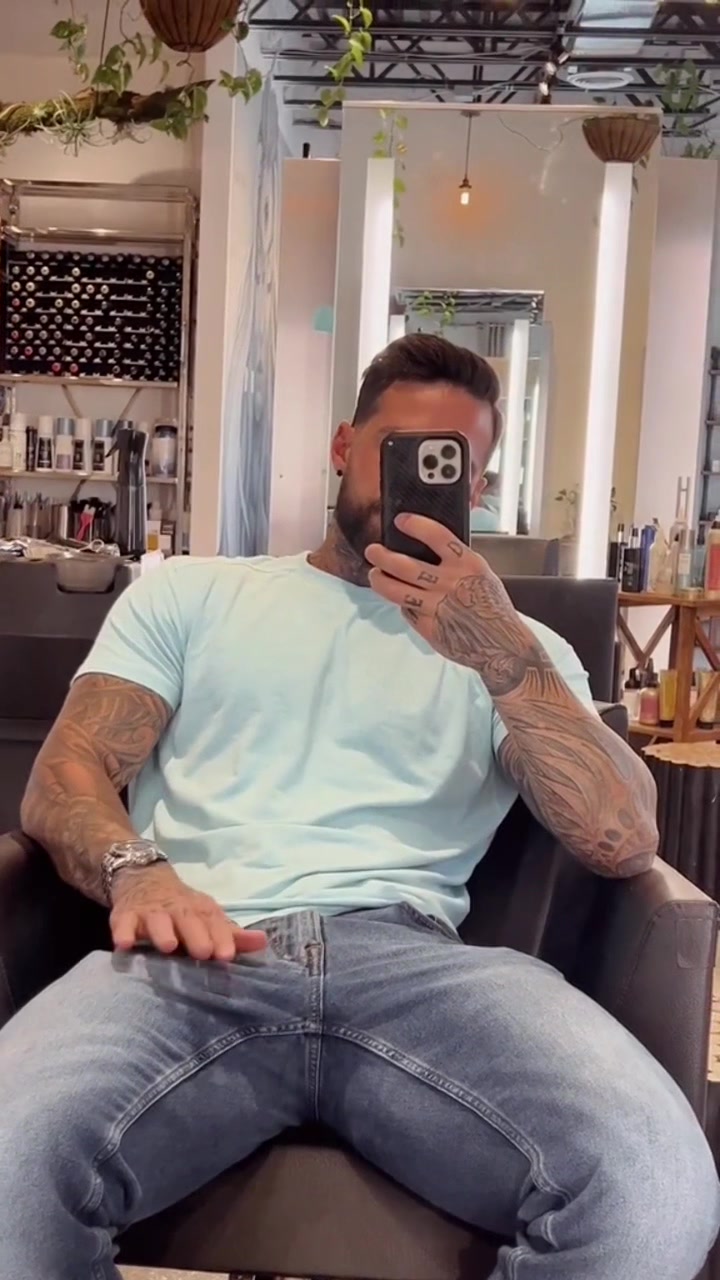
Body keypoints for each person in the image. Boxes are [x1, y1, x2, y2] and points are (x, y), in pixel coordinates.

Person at [1, 334, 717, 1280]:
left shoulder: (519, 648)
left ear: (478, 482)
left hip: (417, 966)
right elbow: (66, 772)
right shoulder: (196, 595)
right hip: (195, 948)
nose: (418, 483)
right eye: (399, 451)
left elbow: (623, 837)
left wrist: (505, 657)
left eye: (452, 463)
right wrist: (139, 873)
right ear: (344, 447)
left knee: (652, 1187)